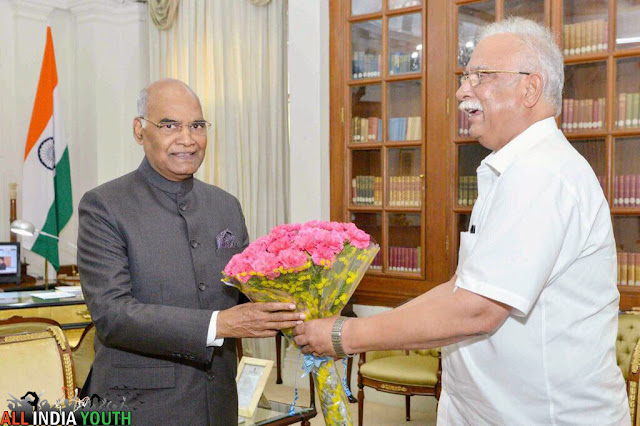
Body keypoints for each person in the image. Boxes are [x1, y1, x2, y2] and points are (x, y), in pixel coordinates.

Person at [294, 17, 629, 425]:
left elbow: (477, 310)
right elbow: (463, 289)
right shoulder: (512, 171)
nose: (461, 91)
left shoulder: (542, 174)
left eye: (481, 76)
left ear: (530, 88)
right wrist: (355, 328)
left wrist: (344, 336)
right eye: (465, 75)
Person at [77, 78, 304, 425]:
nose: (187, 139)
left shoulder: (225, 205)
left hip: (220, 400)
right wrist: (219, 323)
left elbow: (243, 294)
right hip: (140, 406)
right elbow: (113, 316)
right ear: (140, 130)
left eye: (197, 126)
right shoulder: (104, 206)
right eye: (170, 125)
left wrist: (300, 297)